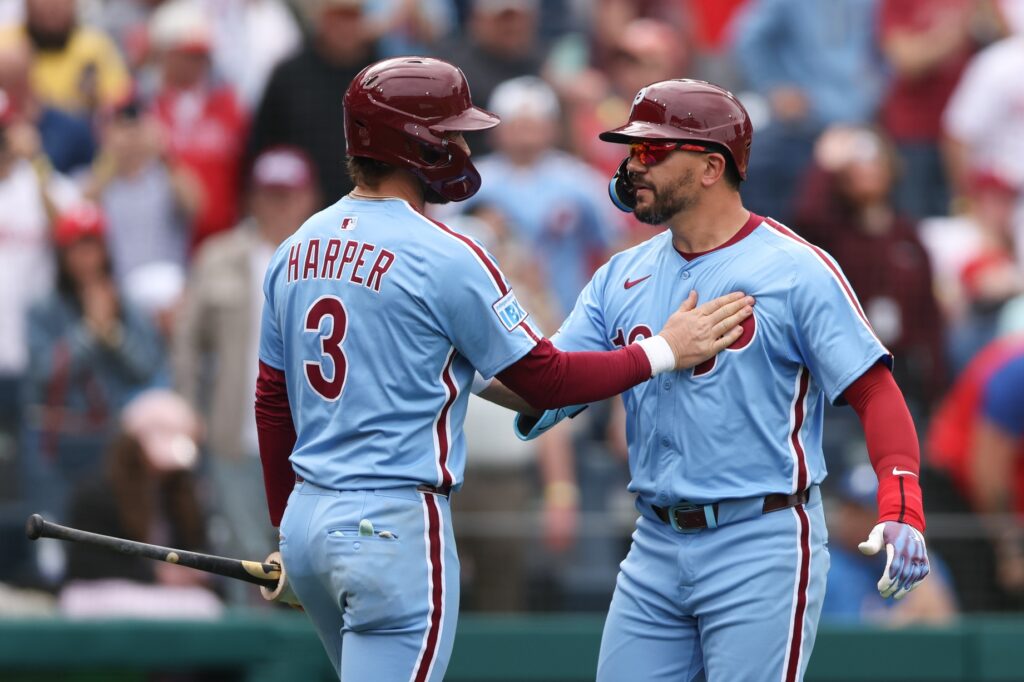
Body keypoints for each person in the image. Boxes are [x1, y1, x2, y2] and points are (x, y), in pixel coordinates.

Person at [253, 57, 754, 680]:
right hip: (389, 524)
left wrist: (283, 525)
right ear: (415, 142)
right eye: (453, 135)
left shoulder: (296, 245)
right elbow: (545, 381)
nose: (465, 149)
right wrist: (664, 350)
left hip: (306, 522)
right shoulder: (446, 253)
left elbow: (271, 400)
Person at [497, 79, 930, 681]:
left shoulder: (794, 268)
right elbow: (547, 383)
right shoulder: (619, 275)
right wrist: (456, 357)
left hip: (760, 538)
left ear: (710, 167)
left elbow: (873, 389)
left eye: (651, 150)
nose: (632, 165)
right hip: (654, 541)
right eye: (631, 150)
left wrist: (902, 503)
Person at [174, 146, 319, 585]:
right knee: (244, 556)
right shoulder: (219, 256)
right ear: (253, 198)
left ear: (308, 198)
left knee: (311, 556)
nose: (279, 206)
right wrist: (189, 409)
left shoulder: (325, 256)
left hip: (311, 437)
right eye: (270, 195)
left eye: (288, 195)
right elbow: (187, 343)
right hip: (236, 431)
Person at [926, 334, 1024, 611]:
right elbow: (987, 474)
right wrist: (1010, 550)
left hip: (1004, 501)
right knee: (983, 598)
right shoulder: (1018, 374)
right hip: (956, 489)